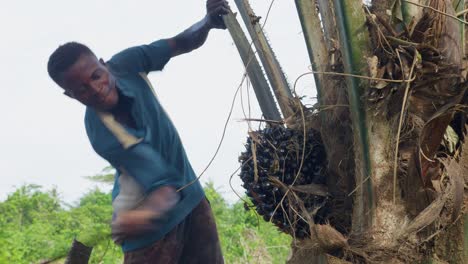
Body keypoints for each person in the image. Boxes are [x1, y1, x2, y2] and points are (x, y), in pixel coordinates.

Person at [47, 0, 230, 263]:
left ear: (103, 64)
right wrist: (143, 217)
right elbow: (161, 182)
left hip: (190, 200)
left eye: (96, 76)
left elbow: (179, 43)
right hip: (147, 227)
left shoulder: (127, 63)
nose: (96, 89)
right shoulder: (102, 133)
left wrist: (207, 22)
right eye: (82, 90)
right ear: (70, 95)